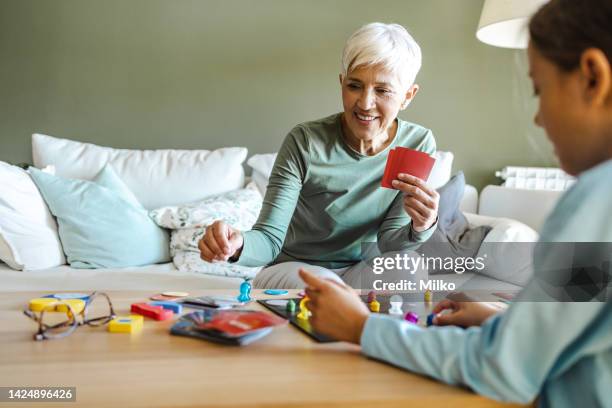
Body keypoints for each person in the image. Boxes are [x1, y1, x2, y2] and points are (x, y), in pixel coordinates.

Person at [299, 0, 612, 406]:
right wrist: (503, 322)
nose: (538, 119)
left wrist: (361, 328)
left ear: (592, 77)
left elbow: (500, 369)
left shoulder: (596, 205)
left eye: (540, 89)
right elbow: (575, 321)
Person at [199, 23, 440, 289]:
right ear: (341, 83)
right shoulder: (305, 141)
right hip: (293, 268)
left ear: (407, 95)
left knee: (409, 269)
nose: (365, 103)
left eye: (382, 91)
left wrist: (422, 226)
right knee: (326, 288)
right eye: (354, 85)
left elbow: (391, 244)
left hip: (360, 271)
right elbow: (269, 239)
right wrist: (236, 244)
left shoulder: (417, 143)